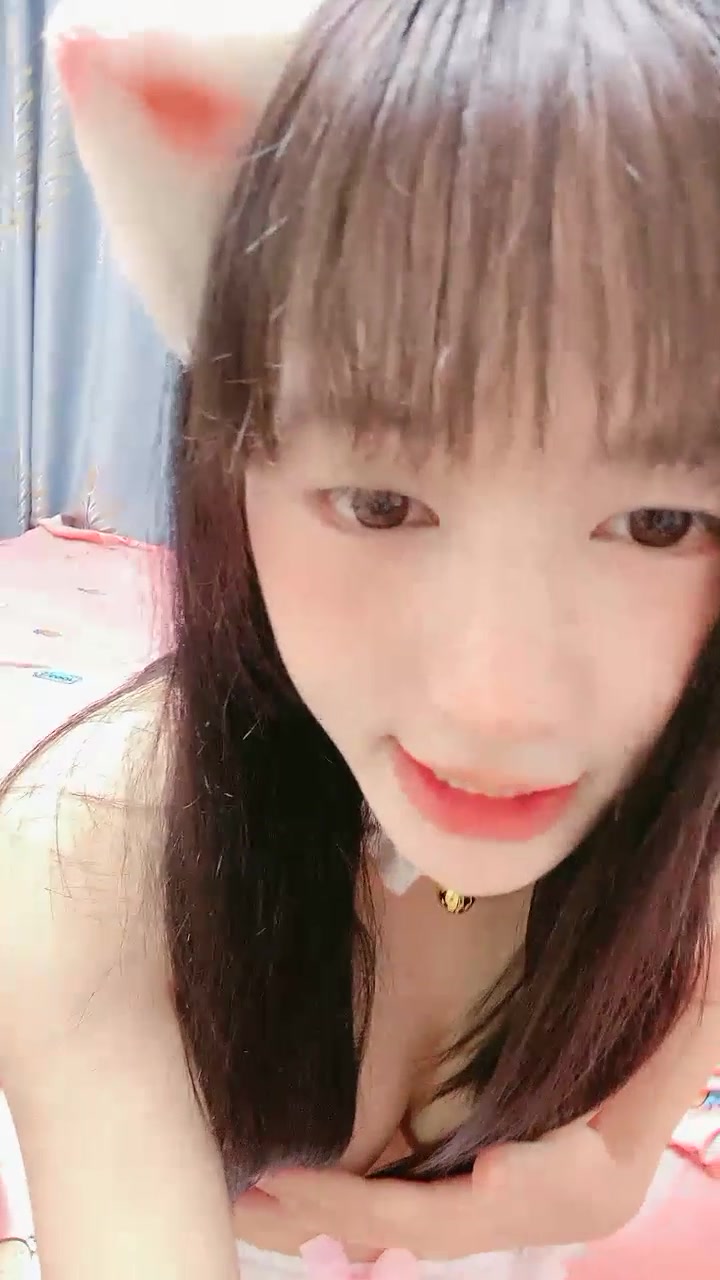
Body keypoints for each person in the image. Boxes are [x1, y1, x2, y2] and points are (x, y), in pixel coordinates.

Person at [1, 1, 719, 1277]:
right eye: (381, 502)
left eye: (658, 521)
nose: (496, 703)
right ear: (232, 461)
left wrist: (482, 1213)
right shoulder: (92, 856)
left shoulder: (694, 809)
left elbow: (612, 1171)